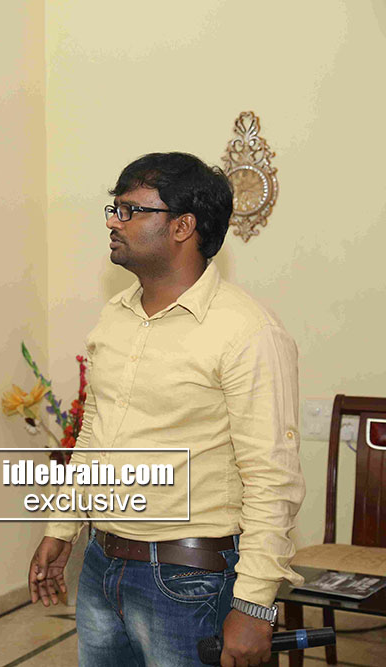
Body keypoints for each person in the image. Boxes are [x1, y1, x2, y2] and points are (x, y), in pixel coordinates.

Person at [27, 152, 304, 667]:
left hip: (189, 579)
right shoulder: (115, 317)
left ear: (182, 227)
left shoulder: (247, 331)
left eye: (130, 211)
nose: (113, 222)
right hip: (101, 564)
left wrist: (253, 605)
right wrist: (62, 526)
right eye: (114, 209)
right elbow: (94, 436)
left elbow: (272, 477)